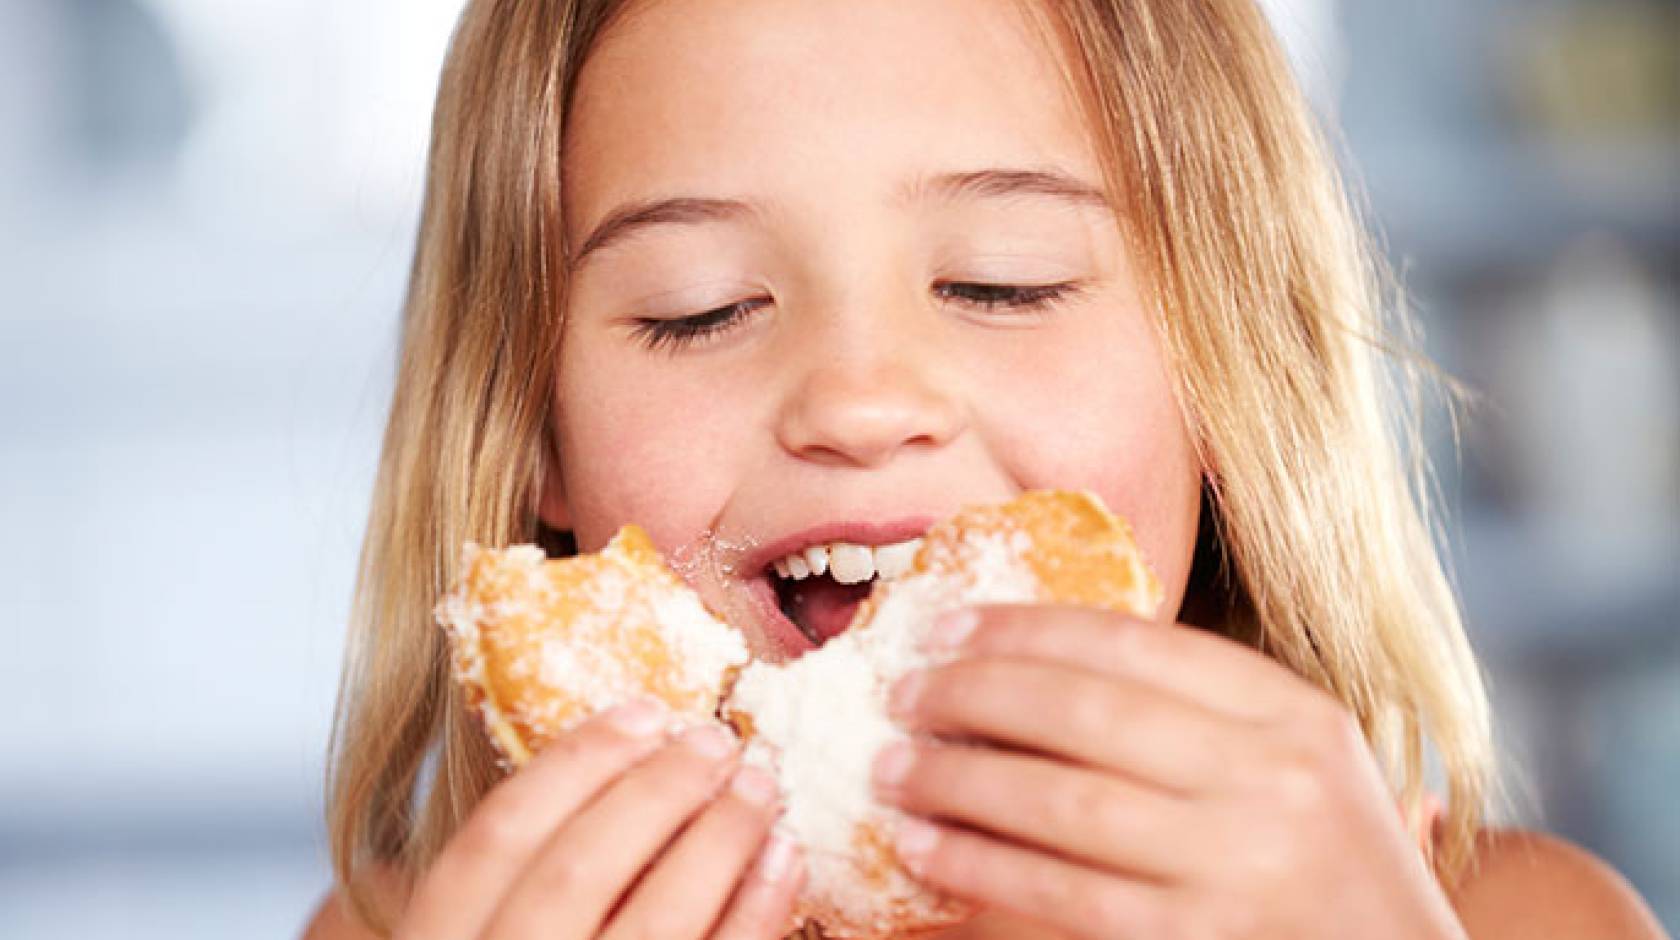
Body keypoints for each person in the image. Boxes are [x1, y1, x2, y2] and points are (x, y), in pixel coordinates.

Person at [303, 0, 1668, 937]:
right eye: (700, 306)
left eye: (1000, 283)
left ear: (1228, 376)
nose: (857, 400)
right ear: (534, 432)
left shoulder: (1505, 923)